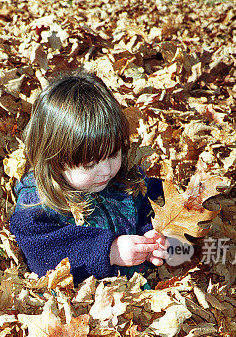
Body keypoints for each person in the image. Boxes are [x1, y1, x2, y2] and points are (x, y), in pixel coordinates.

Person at [9, 71, 168, 285]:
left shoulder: (123, 181)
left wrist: (151, 238)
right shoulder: (37, 208)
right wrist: (108, 251)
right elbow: (42, 256)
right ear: (54, 159)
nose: (106, 171)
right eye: (89, 165)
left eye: (113, 155)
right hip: (82, 307)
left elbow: (155, 204)